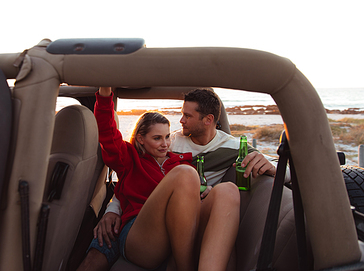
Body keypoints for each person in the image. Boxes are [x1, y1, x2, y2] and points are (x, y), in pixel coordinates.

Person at [78, 87, 278, 271]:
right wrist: (105, 93)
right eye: (157, 138)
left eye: (166, 137)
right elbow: (106, 132)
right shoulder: (130, 157)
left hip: (181, 228)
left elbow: (196, 191)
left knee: (228, 189)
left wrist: (203, 192)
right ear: (140, 139)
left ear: (208, 119)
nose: (166, 143)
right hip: (141, 230)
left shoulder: (181, 160)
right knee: (185, 174)